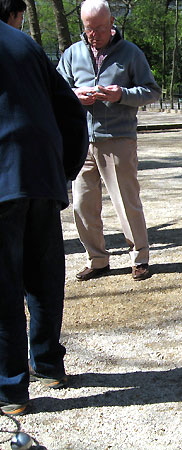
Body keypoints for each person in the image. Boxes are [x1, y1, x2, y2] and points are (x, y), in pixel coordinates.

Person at [0, 20, 88, 415]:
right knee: (43, 274)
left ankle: (10, 389)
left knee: (4, 287)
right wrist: (62, 173)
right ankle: (49, 365)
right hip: (40, 175)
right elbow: (70, 109)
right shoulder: (25, 44)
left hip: (5, 178)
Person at [57, 0, 161, 282]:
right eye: (89, 29)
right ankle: (98, 259)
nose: (94, 34)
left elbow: (152, 91)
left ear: (111, 22)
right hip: (81, 140)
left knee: (126, 202)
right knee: (82, 204)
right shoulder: (72, 54)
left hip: (118, 138)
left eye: (100, 28)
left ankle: (139, 258)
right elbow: (56, 89)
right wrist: (74, 96)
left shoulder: (130, 53)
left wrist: (121, 95)